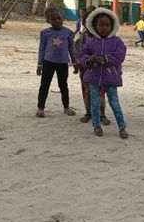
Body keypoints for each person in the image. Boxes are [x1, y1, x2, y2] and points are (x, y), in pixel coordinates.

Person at [81, 8, 128, 139]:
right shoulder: (90, 42)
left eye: (107, 25)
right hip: (93, 78)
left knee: (115, 104)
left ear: (112, 26)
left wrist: (105, 58)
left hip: (111, 77)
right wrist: (89, 60)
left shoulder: (117, 42)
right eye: (100, 25)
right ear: (94, 26)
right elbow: (83, 55)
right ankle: (96, 125)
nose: (104, 28)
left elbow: (120, 55)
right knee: (95, 103)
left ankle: (122, 127)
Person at [36, 8, 79, 118]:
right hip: (48, 62)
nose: (56, 21)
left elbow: (71, 49)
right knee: (44, 85)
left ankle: (66, 107)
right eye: (53, 19)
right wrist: (39, 64)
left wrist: (75, 63)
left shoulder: (68, 33)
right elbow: (42, 49)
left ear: (63, 18)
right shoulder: (45, 33)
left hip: (63, 63)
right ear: (48, 21)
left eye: (59, 18)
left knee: (63, 85)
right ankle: (40, 108)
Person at [74, 11, 111, 125]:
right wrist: (81, 65)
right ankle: (88, 112)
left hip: (101, 71)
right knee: (87, 91)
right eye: (87, 22)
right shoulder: (82, 39)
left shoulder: (104, 39)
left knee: (101, 92)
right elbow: (78, 55)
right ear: (85, 24)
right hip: (86, 71)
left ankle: (102, 114)